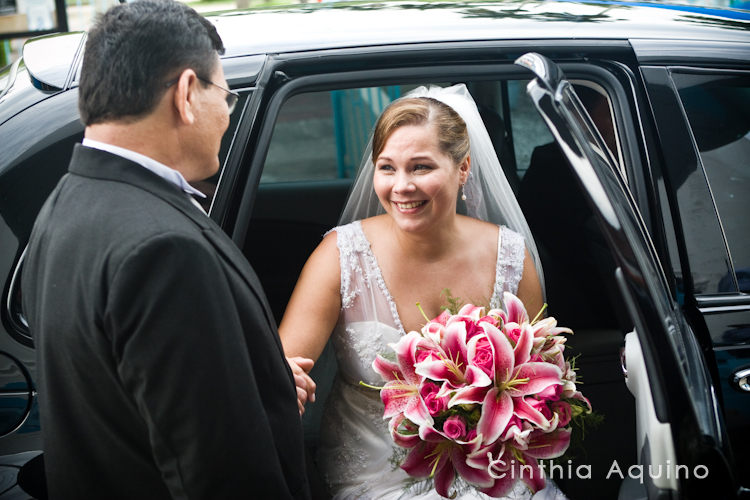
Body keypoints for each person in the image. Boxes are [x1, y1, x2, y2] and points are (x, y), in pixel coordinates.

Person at [21, 1, 312, 498]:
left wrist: (251, 376)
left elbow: (124, 384)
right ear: (185, 93)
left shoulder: (63, 207)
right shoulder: (165, 251)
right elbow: (221, 475)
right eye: (224, 94)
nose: (225, 112)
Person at [280, 84, 564, 499]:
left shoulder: (510, 256)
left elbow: (540, 382)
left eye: (421, 167)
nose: (401, 186)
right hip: (373, 478)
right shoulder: (340, 256)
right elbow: (285, 373)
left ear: (463, 168)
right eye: (388, 167)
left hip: (494, 474)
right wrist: (284, 379)